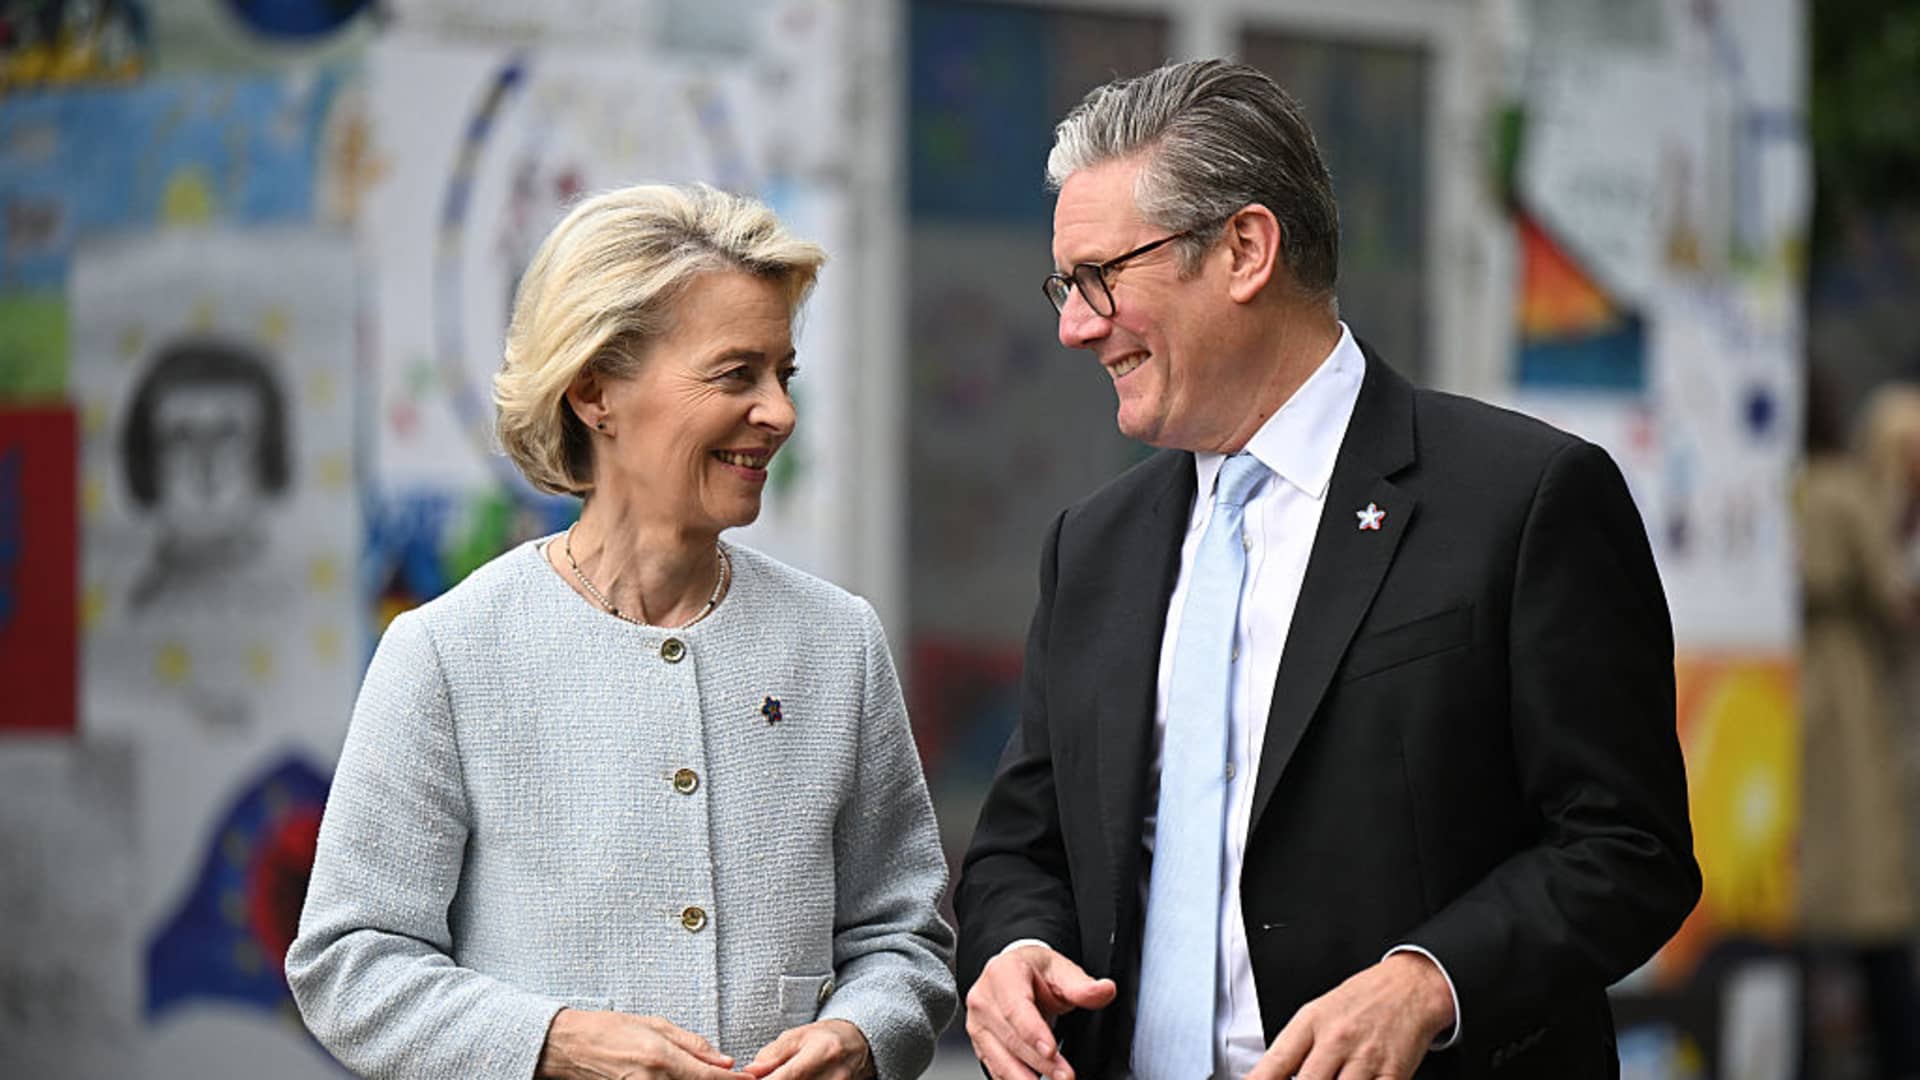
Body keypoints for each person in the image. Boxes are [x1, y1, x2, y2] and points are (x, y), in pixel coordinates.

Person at [955, 60, 1700, 1080]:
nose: (1074, 325)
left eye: (1099, 278)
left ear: (1245, 250)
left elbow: (1629, 849)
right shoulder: (1093, 546)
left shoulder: (1523, 499)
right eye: (1065, 286)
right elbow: (1021, 846)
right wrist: (1013, 950)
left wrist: (1431, 983)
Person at [288, 183, 956, 1080]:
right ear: (595, 390)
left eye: (783, 374)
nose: (780, 412)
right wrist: (552, 1042)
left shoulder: (838, 643)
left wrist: (863, 1034)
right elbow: (350, 964)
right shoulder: (448, 653)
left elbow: (903, 936)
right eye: (736, 374)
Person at [1798, 378, 1920, 1078]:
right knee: (1874, 906)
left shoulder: (1786, 487)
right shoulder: (1843, 493)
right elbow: (1891, 591)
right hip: (1852, 703)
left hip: (1789, 697)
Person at [119, 334, 290, 613]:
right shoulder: (140, 607)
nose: (206, 462)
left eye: (228, 434)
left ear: (267, 451)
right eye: (182, 437)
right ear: (147, 459)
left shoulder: (289, 600)